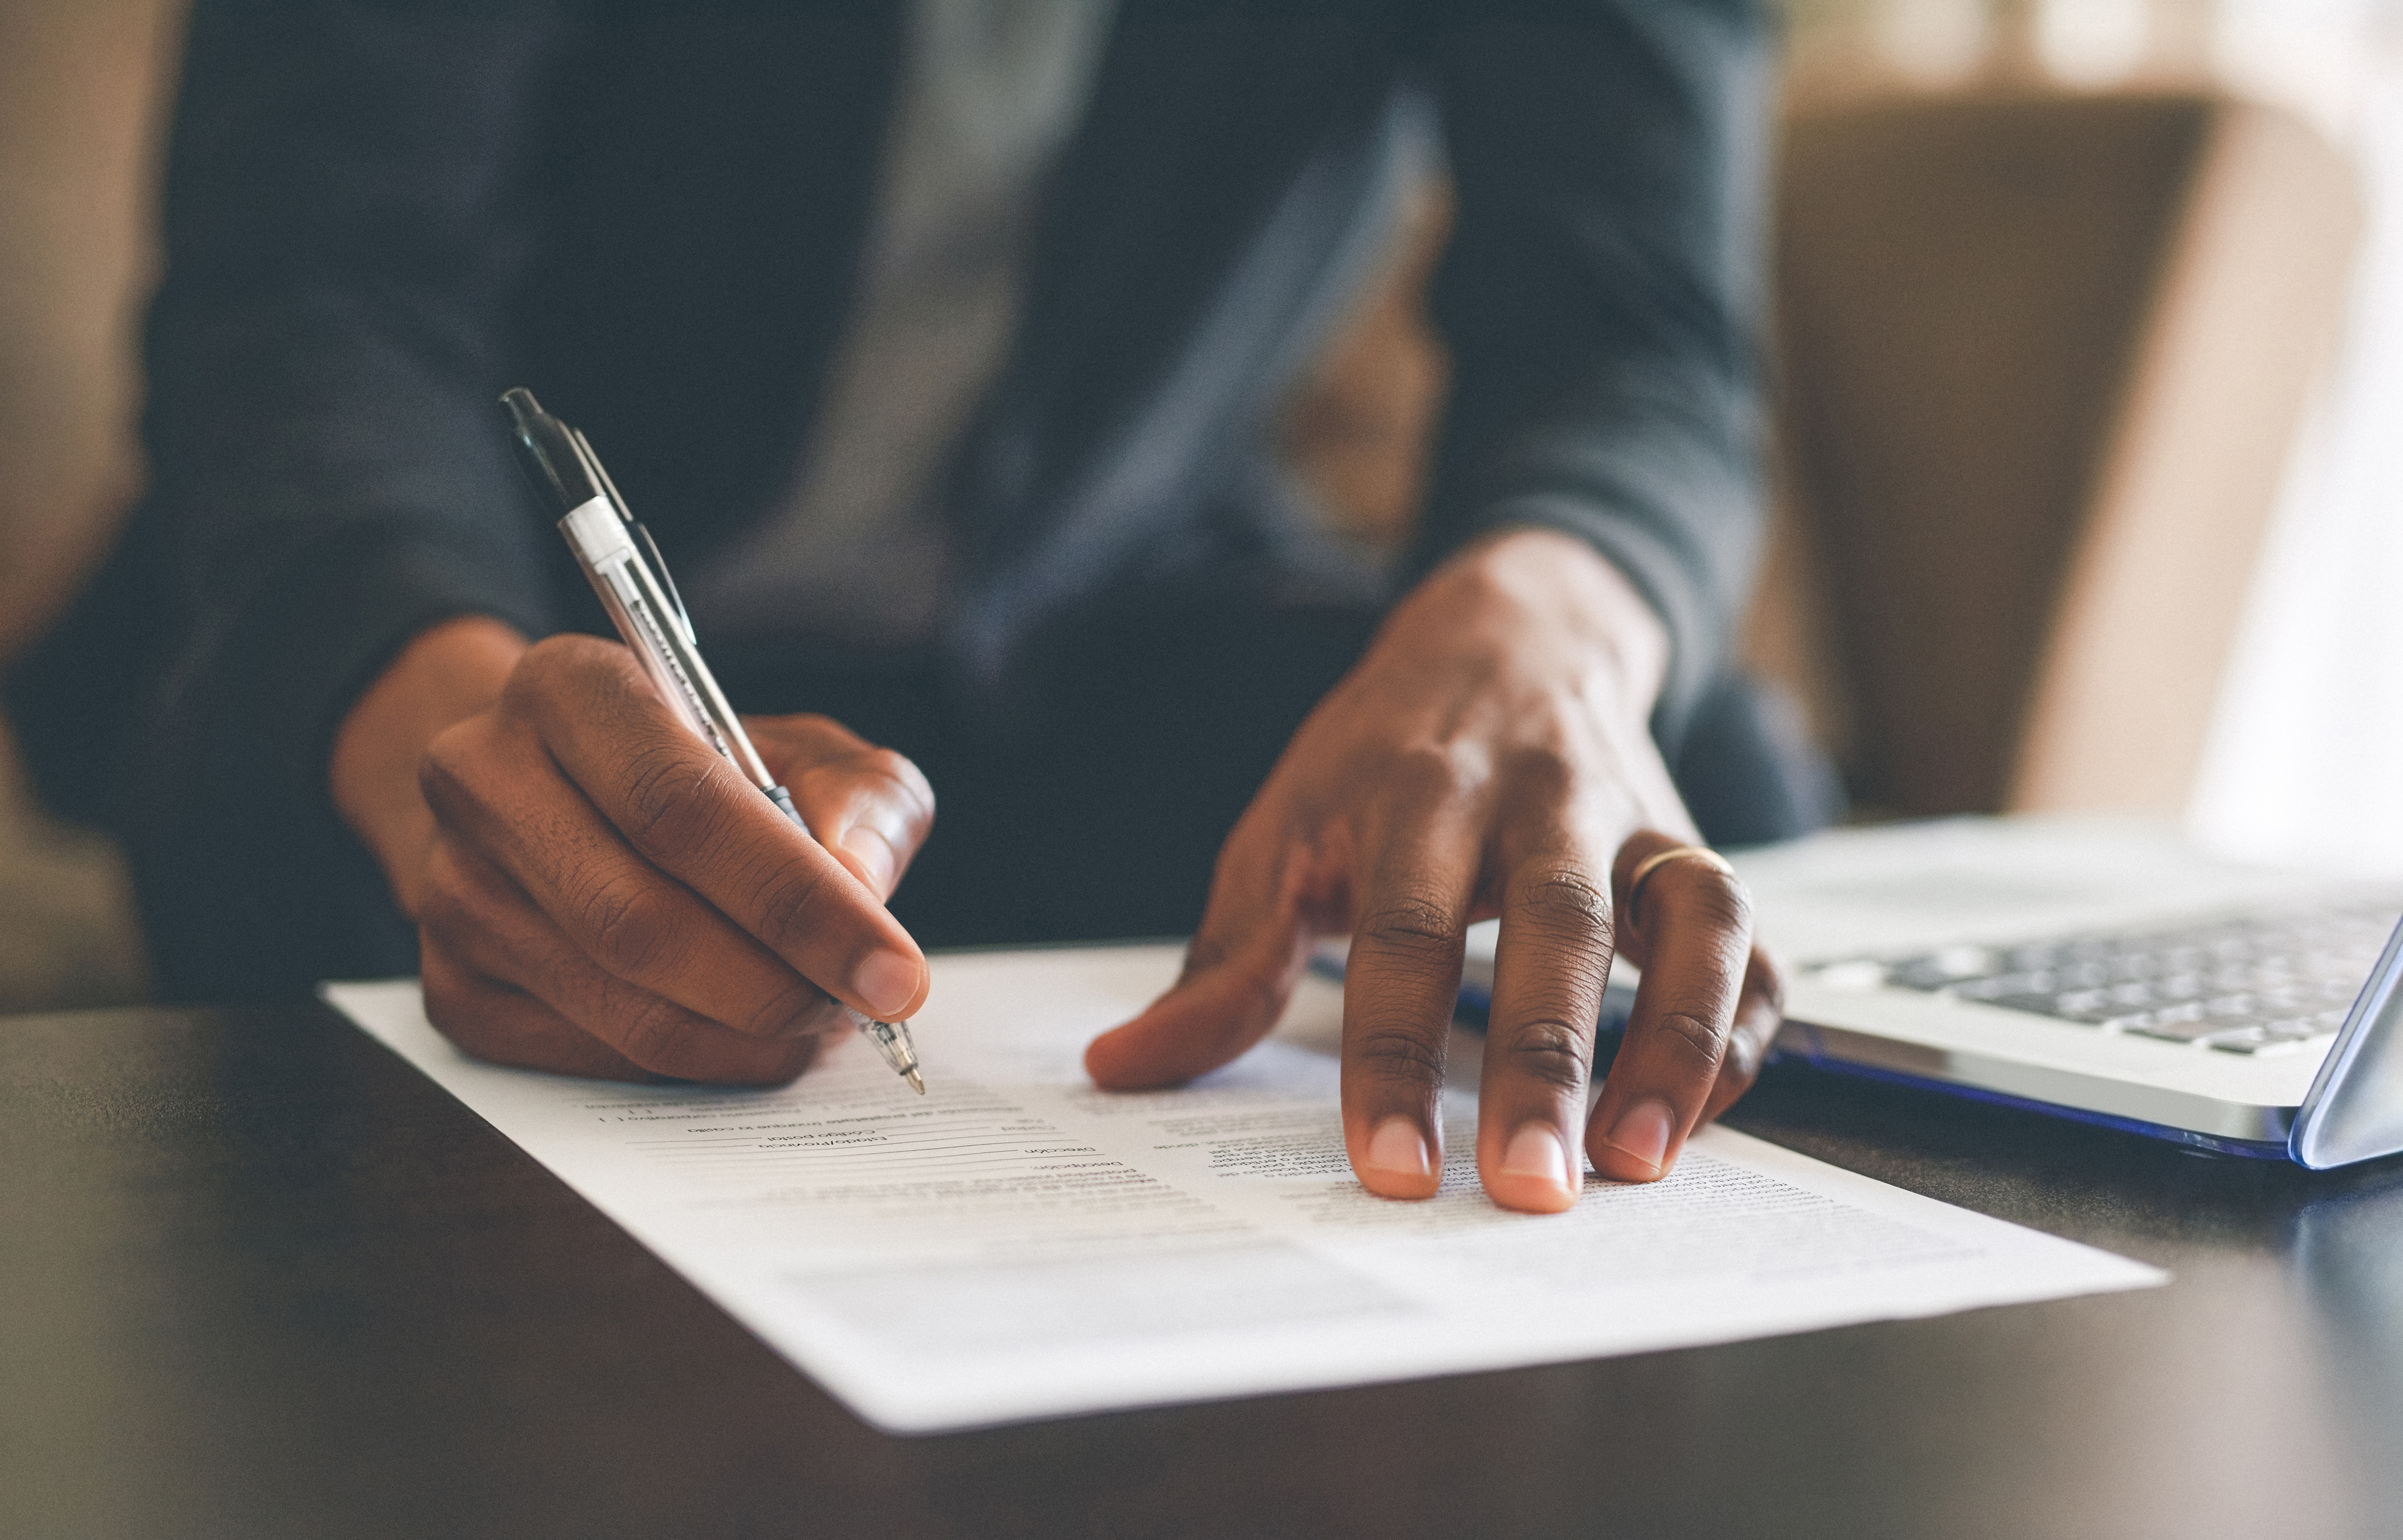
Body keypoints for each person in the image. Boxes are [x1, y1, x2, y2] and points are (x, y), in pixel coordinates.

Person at [9, 0, 1816, 1215]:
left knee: (1682, 775)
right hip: (473, 615)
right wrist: (448, 734)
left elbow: (1634, 330)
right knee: (281, 820)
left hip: (1082, 624)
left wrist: (1544, 624)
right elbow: (316, 287)